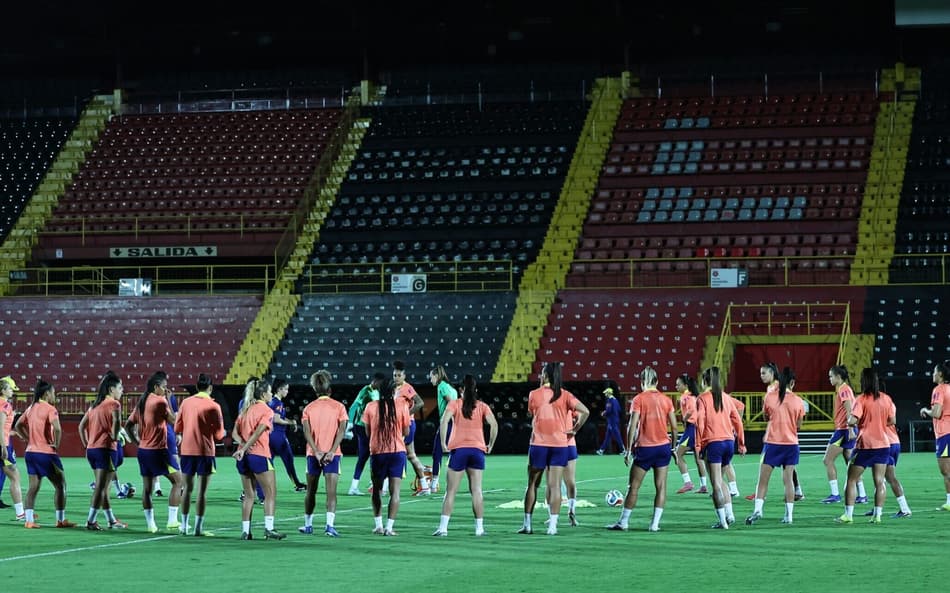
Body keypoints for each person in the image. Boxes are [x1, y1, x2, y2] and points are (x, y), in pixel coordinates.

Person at [520, 361, 589, 536]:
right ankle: (553, 526)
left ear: (545, 375)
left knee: (532, 485)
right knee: (556, 486)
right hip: (559, 445)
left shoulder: (534, 394)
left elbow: (532, 413)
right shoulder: (565, 395)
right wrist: (574, 430)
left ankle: (527, 525)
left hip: (539, 444)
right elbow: (586, 411)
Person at [606, 366, 677, 533]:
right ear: (657, 381)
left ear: (641, 382)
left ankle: (623, 522)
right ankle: (654, 524)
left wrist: (628, 449)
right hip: (663, 448)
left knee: (634, 487)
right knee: (661, 487)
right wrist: (673, 447)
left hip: (645, 448)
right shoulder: (666, 400)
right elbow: (674, 427)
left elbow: (632, 425)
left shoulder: (639, 399)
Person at [433, 374, 498, 537]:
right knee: (476, 490)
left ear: (460, 389)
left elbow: (444, 421)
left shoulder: (455, 404)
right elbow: (494, 424)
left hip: (459, 450)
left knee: (451, 491)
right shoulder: (482, 406)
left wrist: (443, 443)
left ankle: (443, 528)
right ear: (475, 389)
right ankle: (479, 529)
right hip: (477, 450)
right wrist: (490, 444)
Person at [746, 364, 806, 525]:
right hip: (791, 444)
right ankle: (789, 516)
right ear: (792, 383)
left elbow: (766, 417)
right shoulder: (798, 401)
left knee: (763, 480)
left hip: (773, 442)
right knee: (788, 481)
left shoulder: (770, 397)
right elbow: (799, 425)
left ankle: (758, 510)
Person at [125, 372, 184, 533]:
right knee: (178, 482)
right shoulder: (160, 401)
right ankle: (172, 520)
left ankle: (151, 524)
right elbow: (175, 422)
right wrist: (171, 403)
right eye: (164, 387)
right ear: (156, 387)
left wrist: (136, 441)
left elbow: (128, 425)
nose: (166, 390)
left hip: (143, 451)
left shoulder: (142, 403)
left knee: (147, 489)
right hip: (159, 451)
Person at [13, 380, 75, 528]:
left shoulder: (31, 408)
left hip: (30, 453)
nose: (55, 395)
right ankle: (60, 520)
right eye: (53, 393)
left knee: (33, 487)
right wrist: (56, 444)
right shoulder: (50, 409)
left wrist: (28, 438)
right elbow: (58, 429)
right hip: (46, 453)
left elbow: (18, 425)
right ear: (47, 393)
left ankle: (29, 521)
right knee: (61, 485)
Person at [836, 367, 894, 524]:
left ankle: (848, 515)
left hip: (865, 444)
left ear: (864, 381)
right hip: (883, 444)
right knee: (879, 481)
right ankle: (878, 516)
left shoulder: (861, 399)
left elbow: (853, 420)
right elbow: (892, 421)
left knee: (851, 479)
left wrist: (852, 422)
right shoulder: (886, 399)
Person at [233, 378, 285, 540]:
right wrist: (247, 447)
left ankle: (245, 531)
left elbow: (234, 433)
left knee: (249, 495)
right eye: (270, 391)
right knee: (270, 493)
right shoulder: (267, 411)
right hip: (259, 455)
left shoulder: (245, 410)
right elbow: (258, 432)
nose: (271, 394)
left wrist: (242, 448)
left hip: (242, 457)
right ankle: (269, 528)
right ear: (263, 394)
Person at [174, 373, 226, 536]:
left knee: (186, 489)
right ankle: (198, 528)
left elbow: (177, 428)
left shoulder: (186, 403)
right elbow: (218, 435)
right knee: (201, 492)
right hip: (205, 451)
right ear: (210, 388)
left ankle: (183, 525)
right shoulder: (213, 406)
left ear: (197, 387)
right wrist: (222, 432)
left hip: (187, 450)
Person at [694, 366, 745, 529]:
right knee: (721, 480)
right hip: (728, 443)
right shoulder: (726, 397)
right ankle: (730, 514)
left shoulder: (702, 398)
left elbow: (700, 422)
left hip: (713, 443)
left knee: (715, 483)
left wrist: (698, 444)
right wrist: (741, 443)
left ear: (704, 381)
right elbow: (737, 420)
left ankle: (723, 521)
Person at [299, 370, 348, 537]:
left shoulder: (308, 408)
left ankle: (308, 525)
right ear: (329, 389)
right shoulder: (339, 407)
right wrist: (332, 451)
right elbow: (342, 431)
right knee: (331, 492)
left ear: (315, 389)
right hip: (333, 455)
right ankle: (329, 526)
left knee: (310, 491)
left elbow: (306, 432)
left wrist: (316, 451)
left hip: (313, 455)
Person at [77, 372, 127, 530]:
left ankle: (111, 520)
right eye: (120, 387)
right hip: (106, 449)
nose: (122, 390)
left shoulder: (94, 405)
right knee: (101, 487)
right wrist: (114, 435)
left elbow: (81, 426)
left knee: (103, 487)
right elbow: (117, 422)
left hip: (92, 450)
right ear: (111, 389)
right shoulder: (114, 404)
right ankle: (91, 521)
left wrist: (86, 444)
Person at [362, 380, 411, 536]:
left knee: (376, 490)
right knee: (394, 492)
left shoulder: (370, 407)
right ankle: (389, 528)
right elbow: (407, 431)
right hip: (397, 451)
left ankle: (378, 525)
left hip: (377, 452)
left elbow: (368, 433)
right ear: (394, 391)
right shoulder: (402, 406)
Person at [821, 365, 867, 504]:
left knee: (827, 460)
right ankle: (862, 495)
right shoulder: (845, 389)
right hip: (847, 430)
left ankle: (835, 494)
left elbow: (849, 410)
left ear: (838, 377)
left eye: (831, 376)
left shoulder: (844, 390)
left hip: (844, 430)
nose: (829, 379)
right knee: (851, 463)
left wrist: (851, 429)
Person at [869, 381, 912, 518]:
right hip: (893, 442)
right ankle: (877, 507)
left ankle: (904, 509)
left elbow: (891, 421)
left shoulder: (879, 403)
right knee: (880, 476)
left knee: (888, 477)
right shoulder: (889, 402)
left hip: (885, 443)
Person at [345, 372, 385, 496]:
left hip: (373, 427)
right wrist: (350, 425)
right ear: (376, 381)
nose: (381, 385)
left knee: (374, 455)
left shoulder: (377, 392)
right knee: (365, 456)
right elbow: (353, 407)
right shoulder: (365, 391)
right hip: (362, 427)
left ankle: (373, 483)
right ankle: (354, 486)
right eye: (380, 383)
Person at [393, 360, 429, 495]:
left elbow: (420, 403)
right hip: (400, 424)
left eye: (398, 375)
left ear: (404, 376)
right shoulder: (394, 388)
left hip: (406, 424)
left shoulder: (407, 388)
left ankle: (385, 487)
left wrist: (406, 415)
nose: (396, 377)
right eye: (394, 375)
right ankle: (425, 485)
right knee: (411, 455)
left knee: (395, 452)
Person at [920, 360, 950, 512]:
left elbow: (937, 413)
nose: (932, 374)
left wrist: (926, 410)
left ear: (940, 374)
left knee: (946, 471)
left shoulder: (939, 389)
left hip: (945, 433)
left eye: (933, 372)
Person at [269, 378, 307, 492]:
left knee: (266, 464)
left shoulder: (271, 402)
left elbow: (278, 417)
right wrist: (290, 422)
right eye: (285, 389)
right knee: (288, 459)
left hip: (270, 436)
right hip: (278, 436)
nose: (287, 391)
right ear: (279, 389)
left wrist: (291, 421)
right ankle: (297, 484)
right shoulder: (277, 403)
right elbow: (276, 419)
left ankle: (248, 491)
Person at [673, 374, 708, 494]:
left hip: (691, 429)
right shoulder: (694, 396)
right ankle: (704, 486)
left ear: (685, 385)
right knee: (698, 458)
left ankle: (688, 483)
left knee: (678, 454)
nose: (676, 386)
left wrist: (684, 418)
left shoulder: (686, 397)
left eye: (678, 384)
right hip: (697, 429)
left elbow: (691, 409)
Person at [428, 365, 458, 494]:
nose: (430, 380)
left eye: (431, 377)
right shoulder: (451, 387)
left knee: (437, 452)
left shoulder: (442, 386)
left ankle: (434, 483)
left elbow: (451, 402)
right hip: (455, 424)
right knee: (454, 453)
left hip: (446, 423)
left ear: (437, 376)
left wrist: (451, 416)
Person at [0, 376, 24, 520]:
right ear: (3, 390)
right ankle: (20, 513)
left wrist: (11, 432)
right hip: (3, 445)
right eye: (10, 389)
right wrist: (3, 447)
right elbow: (0, 427)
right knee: (15, 477)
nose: (12, 392)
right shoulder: (5, 405)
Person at [596, 386, 625, 456]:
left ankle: (624, 450)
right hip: (615, 420)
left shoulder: (610, 401)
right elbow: (619, 410)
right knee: (608, 436)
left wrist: (604, 413)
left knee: (617, 436)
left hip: (612, 421)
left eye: (606, 393)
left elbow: (609, 410)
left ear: (608, 393)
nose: (605, 395)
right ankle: (601, 450)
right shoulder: (616, 400)